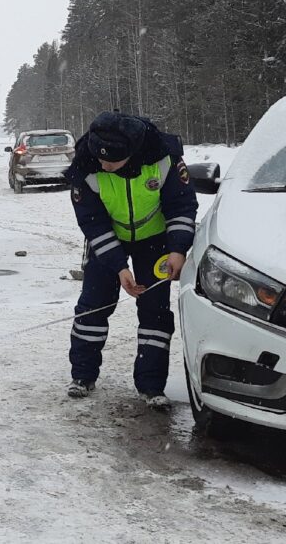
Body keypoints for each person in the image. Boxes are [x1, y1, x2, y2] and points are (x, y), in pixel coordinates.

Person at [63, 111, 198, 409]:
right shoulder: (86, 166)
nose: (104, 166)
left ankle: (151, 386)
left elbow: (181, 205)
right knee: (93, 306)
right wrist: (119, 267)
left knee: (155, 312)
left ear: (133, 153)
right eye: (101, 160)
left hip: (155, 240)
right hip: (110, 236)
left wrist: (177, 249)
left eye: (112, 161)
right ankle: (82, 376)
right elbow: (92, 222)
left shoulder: (164, 159)